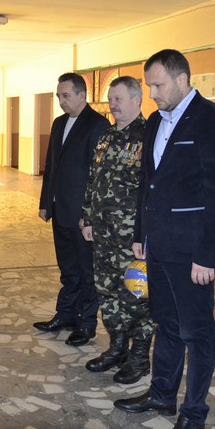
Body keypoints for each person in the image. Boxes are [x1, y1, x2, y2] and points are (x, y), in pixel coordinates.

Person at [114, 49, 215, 429]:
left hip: (191, 251)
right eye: (149, 85)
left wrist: (208, 254)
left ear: (182, 79)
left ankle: (194, 415)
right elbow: (147, 184)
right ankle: (162, 394)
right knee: (166, 323)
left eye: (158, 85)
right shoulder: (155, 121)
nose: (152, 93)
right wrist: (140, 235)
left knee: (197, 332)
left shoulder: (212, 121)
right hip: (158, 245)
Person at [80, 76, 154, 384]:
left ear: (137, 99)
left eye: (119, 99)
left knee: (136, 295)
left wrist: (146, 233)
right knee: (107, 292)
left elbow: (153, 190)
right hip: (103, 235)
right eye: (111, 99)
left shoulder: (148, 136)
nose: (113, 105)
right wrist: (87, 218)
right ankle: (117, 347)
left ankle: (140, 357)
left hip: (131, 240)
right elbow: (93, 180)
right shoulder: (106, 136)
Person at [35, 72, 110, 346]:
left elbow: (97, 175)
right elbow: (51, 165)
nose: (61, 101)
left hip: (81, 215)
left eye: (66, 96)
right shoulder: (59, 123)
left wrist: (89, 215)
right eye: (59, 96)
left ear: (82, 95)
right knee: (67, 268)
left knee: (86, 271)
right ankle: (65, 314)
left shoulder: (98, 125)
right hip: (60, 209)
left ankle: (86, 324)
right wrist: (46, 202)